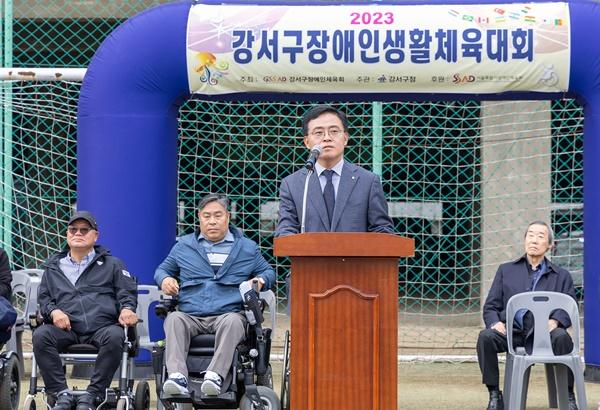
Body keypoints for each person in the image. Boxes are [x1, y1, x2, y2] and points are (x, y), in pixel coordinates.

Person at [155, 193, 275, 397]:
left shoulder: (247, 248)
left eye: (218, 215)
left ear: (228, 216)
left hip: (228, 314)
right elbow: (161, 270)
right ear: (199, 217)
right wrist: (166, 280)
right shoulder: (183, 246)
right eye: (207, 216)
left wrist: (261, 281)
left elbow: (269, 271)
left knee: (234, 322)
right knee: (174, 319)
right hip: (191, 314)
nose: (212, 221)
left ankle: (215, 375)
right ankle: (177, 377)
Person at [34, 211, 139, 410]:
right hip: (66, 329)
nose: (78, 233)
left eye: (84, 230)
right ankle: (60, 394)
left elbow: (127, 293)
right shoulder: (52, 267)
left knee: (116, 336)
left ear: (95, 236)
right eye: (73, 230)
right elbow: (45, 299)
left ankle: (93, 395)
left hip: (102, 327)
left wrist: (127, 308)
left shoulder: (113, 264)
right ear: (67, 235)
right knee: (40, 336)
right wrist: (54, 312)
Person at [477, 221, 579, 410]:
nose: (534, 240)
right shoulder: (506, 270)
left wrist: (555, 320)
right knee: (486, 337)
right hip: (512, 332)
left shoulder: (561, 275)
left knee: (563, 337)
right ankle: (494, 394)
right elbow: (491, 306)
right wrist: (494, 323)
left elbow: (569, 307)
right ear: (525, 241)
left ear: (549, 245)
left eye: (540, 236)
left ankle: (568, 395)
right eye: (530, 235)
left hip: (546, 333)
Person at [275, 104, 394, 236]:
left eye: (334, 131)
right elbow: (285, 230)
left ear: (345, 138)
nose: (327, 138)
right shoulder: (292, 184)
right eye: (319, 133)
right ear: (307, 142)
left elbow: (382, 231)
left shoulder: (368, 181)